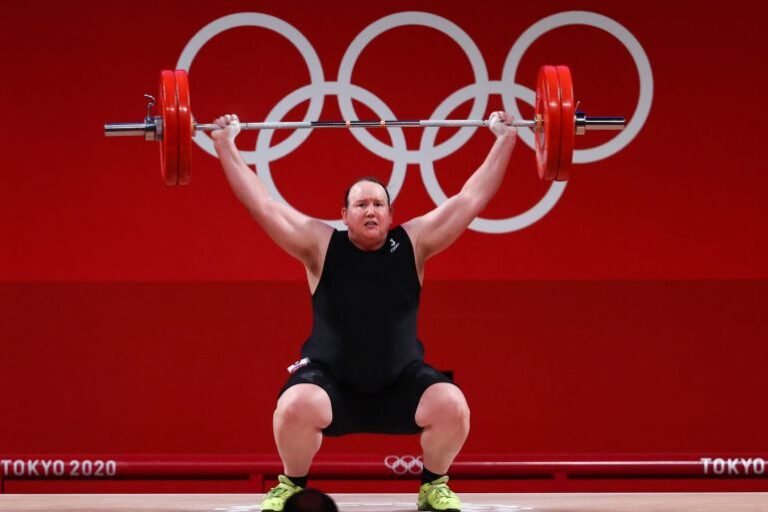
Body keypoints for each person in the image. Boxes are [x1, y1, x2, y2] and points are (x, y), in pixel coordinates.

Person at [211, 111, 517, 512]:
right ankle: (291, 486)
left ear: (390, 214)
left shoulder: (415, 243)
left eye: (378, 204)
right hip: (330, 385)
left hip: (399, 383)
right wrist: (225, 145)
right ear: (344, 215)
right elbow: (263, 205)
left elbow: (470, 199)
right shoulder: (319, 245)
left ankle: (433, 487)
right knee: (294, 405)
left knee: (452, 404)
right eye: (360, 205)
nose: (370, 211)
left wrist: (505, 139)